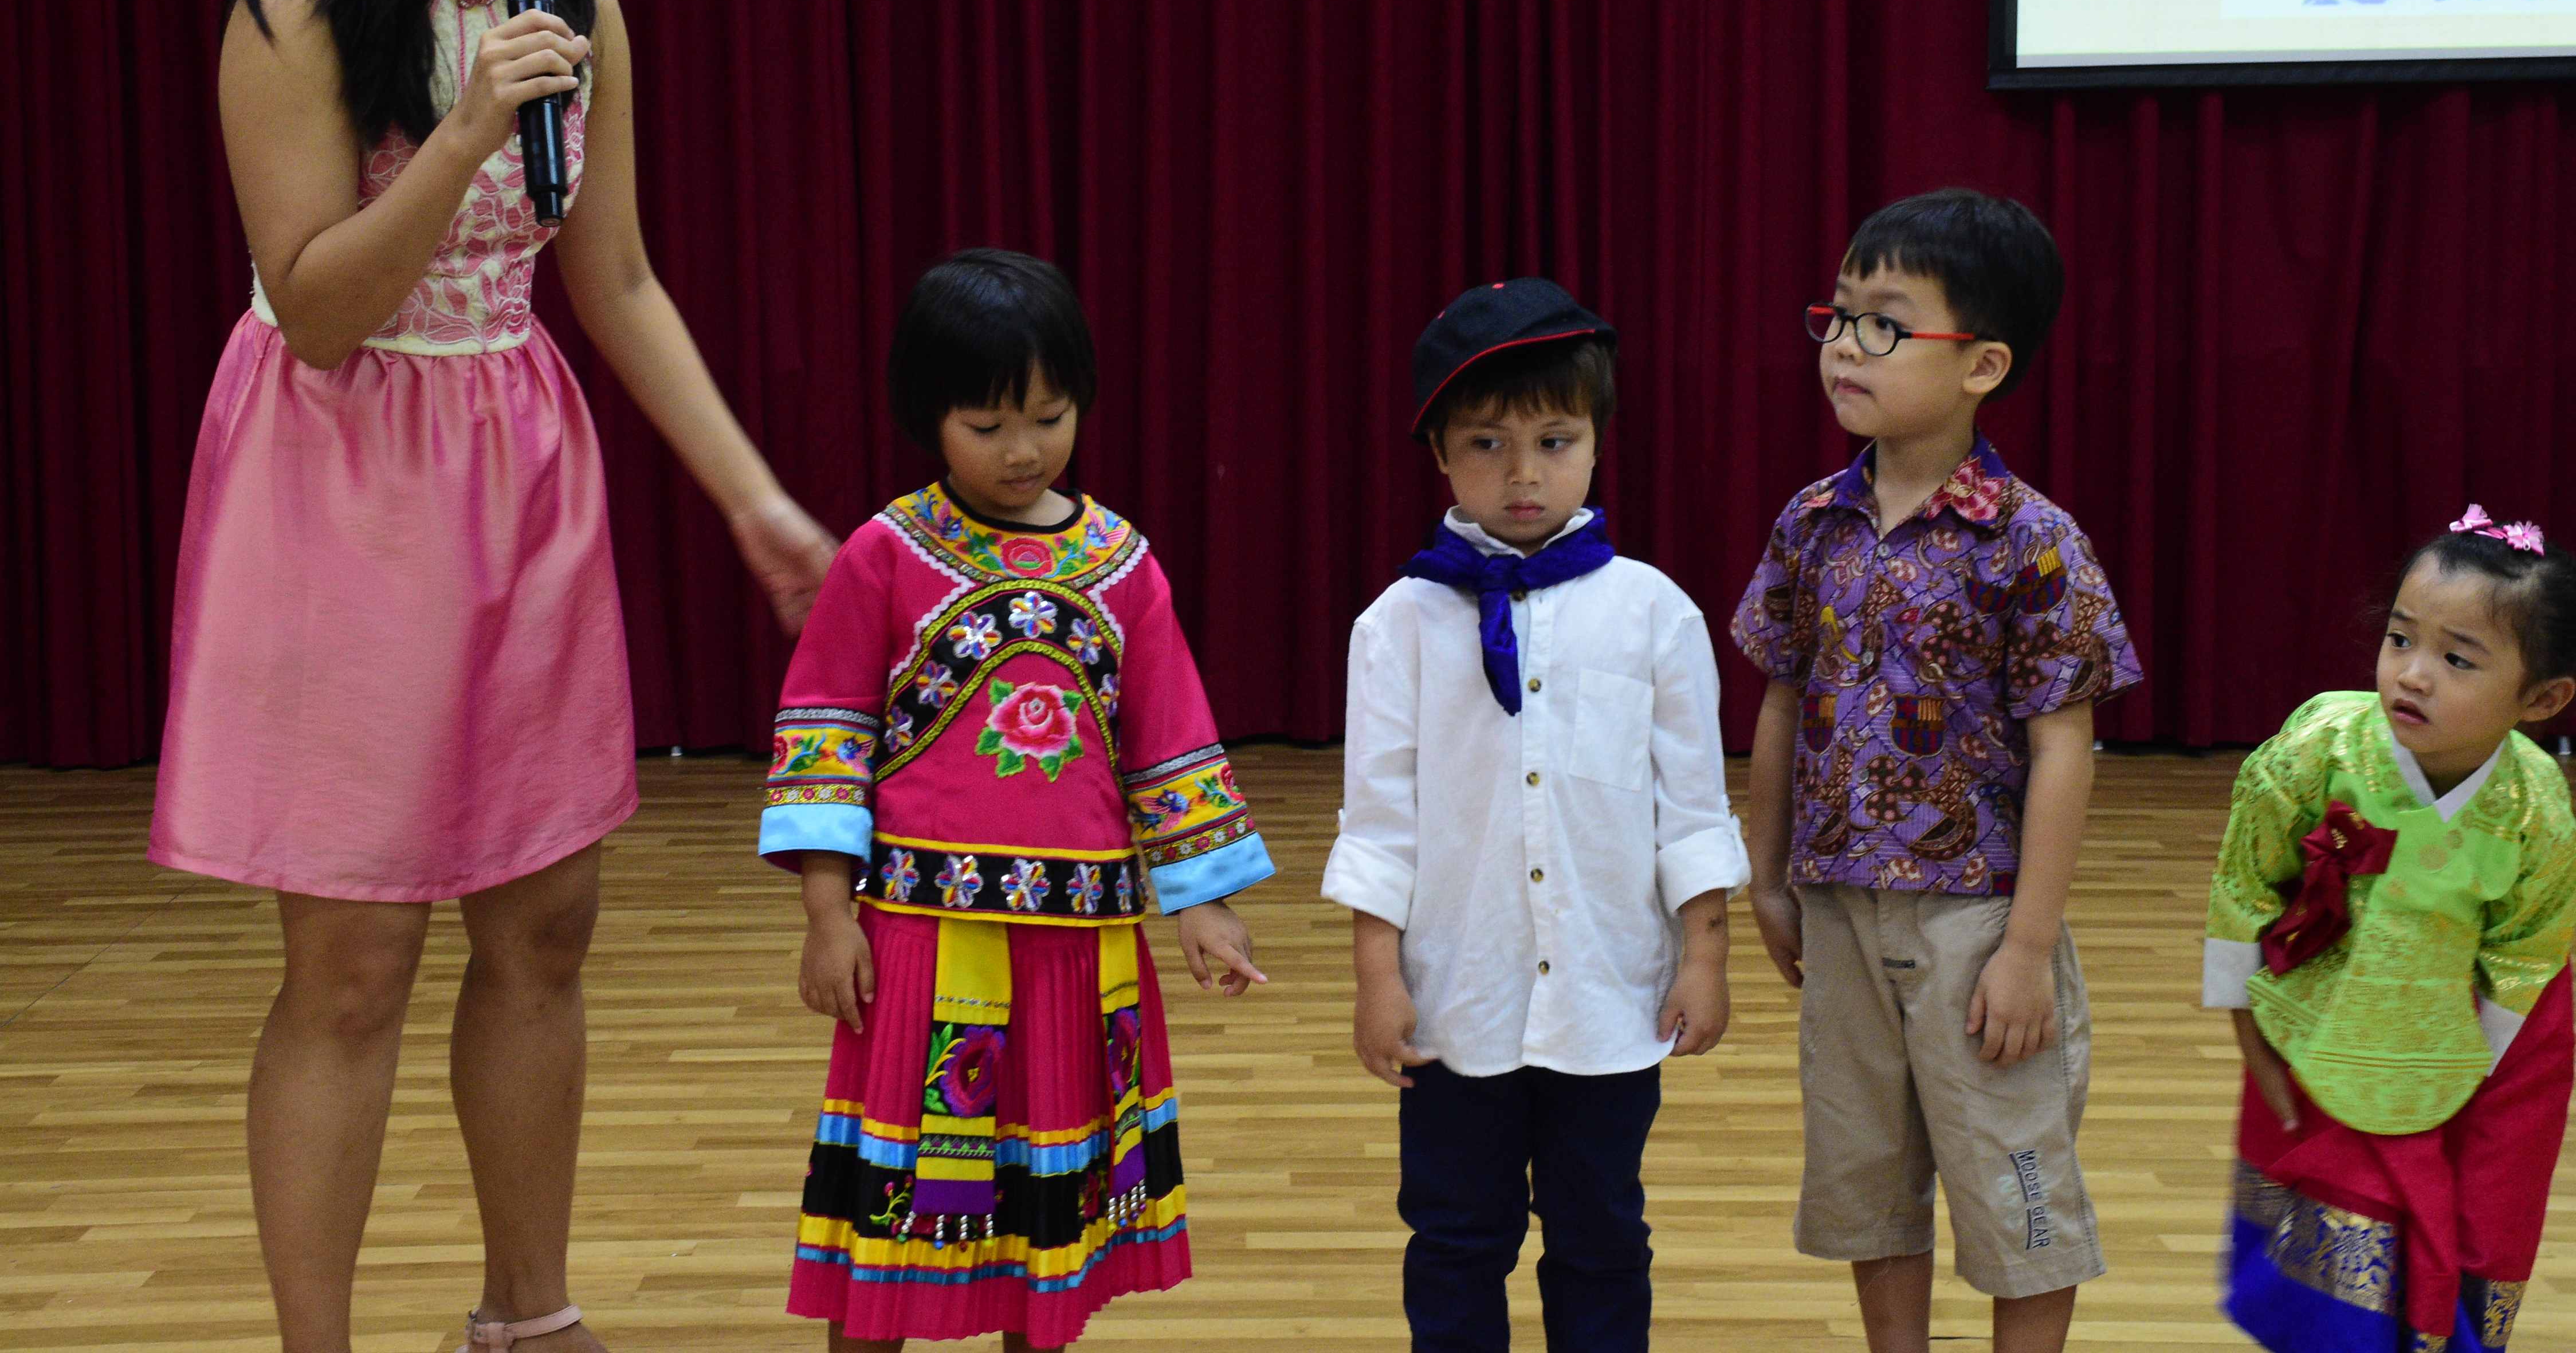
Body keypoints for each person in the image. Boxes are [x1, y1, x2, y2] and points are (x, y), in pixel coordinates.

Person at [146, 0, 837, 1349]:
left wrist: (752, 500)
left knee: (545, 922)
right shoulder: (299, 1)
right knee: (355, 959)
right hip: (337, 477)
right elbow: (316, 305)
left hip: (515, 464)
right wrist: (462, 130)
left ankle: (528, 1314)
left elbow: (616, 279)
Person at [768, 250, 1275, 1351]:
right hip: (918, 943)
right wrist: (825, 913)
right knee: (892, 1212)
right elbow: (827, 734)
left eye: (1048, 417)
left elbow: (1169, 741)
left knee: (1049, 1222)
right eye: (987, 424)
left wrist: (1205, 901)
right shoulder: (884, 556)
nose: (1022, 449)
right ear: (927, 415)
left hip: (1077, 951)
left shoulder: (1123, 564)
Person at [1730, 190, 2142, 1353]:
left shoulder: (2032, 539)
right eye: (1837, 317)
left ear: (1982, 365)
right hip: (1838, 909)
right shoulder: (1812, 522)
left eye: (1884, 323)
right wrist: (1766, 877)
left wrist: (2026, 948)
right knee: (1866, 1180)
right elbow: (1778, 698)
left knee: (2018, 1190)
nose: (1844, 347)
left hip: (1976, 920)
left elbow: (2064, 747)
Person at [1322, 278, 1748, 1352]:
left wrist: (1705, 956)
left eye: (1554, 442)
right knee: (1456, 1235)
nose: (1523, 474)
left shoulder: (1655, 612)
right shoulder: (1397, 625)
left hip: (1611, 1000)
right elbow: (1379, 824)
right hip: (1457, 1001)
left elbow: (1693, 807)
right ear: (1440, 454)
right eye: (1488, 444)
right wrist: (1378, 980)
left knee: (1602, 1233)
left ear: (1596, 442)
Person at [2204, 508, 2576, 1353]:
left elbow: (2526, 952)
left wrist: (2471, 1082)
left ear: (2542, 699)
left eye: (2456, 659)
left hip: (2458, 1061)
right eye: (2400, 639)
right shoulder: (2320, 747)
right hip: (2314, 1037)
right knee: (2327, 1304)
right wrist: (2249, 1036)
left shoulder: (2536, 809)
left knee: (2451, 1250)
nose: (2411, 675)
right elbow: (2244, 880)